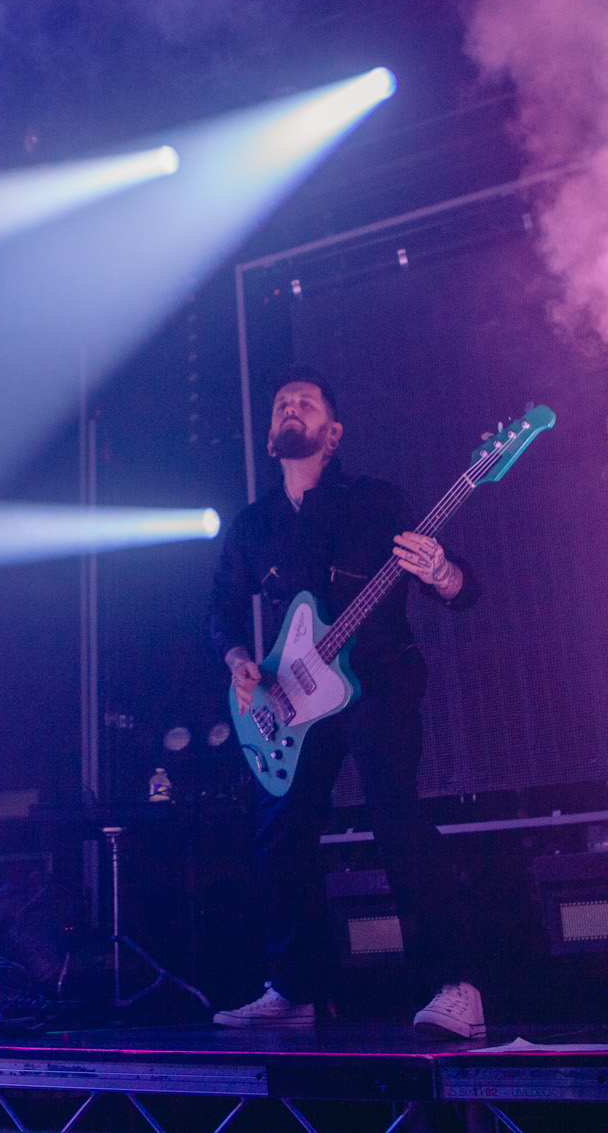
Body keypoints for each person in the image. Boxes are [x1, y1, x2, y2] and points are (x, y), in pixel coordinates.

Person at [206, 366, 485, 1038]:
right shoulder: (254, 524)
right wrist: (241, 660)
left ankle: (452, 986)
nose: (289, 408)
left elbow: (460, 586)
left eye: (304, 402)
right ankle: (295, 988)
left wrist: (442, 573)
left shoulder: (377, 501)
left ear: (333, 432)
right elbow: (218, 608)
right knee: (281, 832)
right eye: (280, 404)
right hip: (290, 698)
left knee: (394, 814)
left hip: (378, 679)